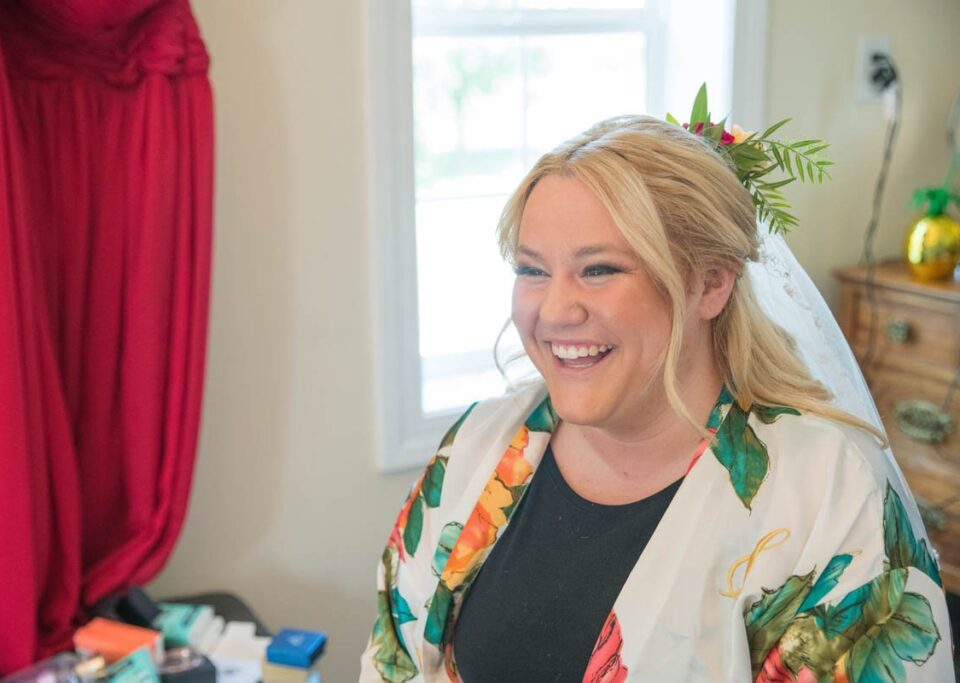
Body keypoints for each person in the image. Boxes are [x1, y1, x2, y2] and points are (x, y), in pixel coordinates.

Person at [359, 112, 954, 682]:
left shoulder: (828, 493)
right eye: (532, 270)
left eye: (599, 270)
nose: (556, 311)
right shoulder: (473, 447)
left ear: (711, 282)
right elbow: (396, 661)